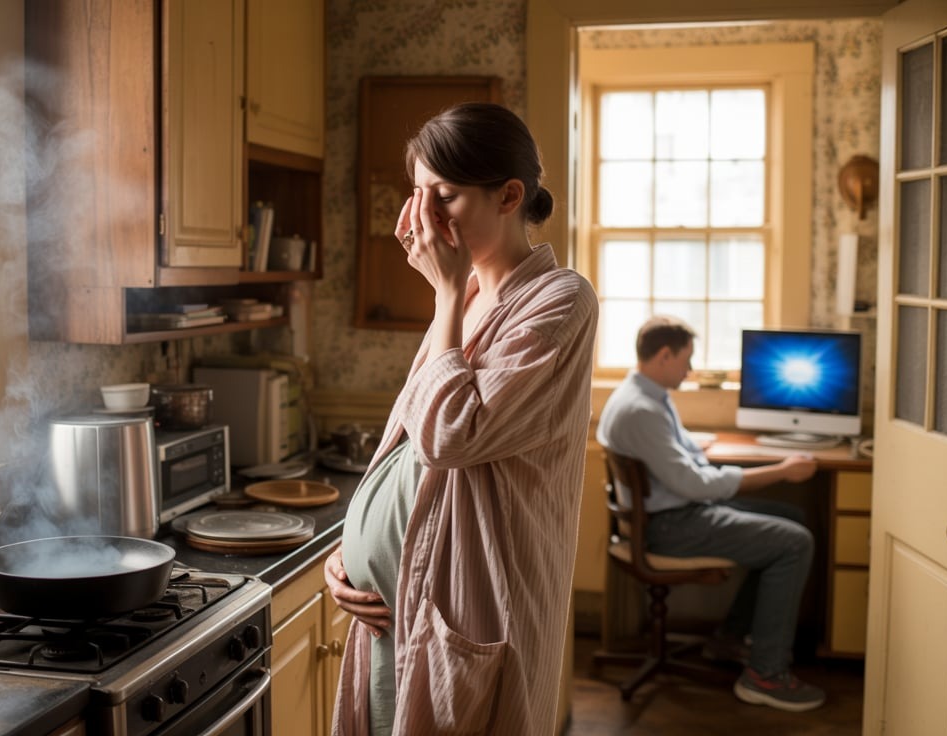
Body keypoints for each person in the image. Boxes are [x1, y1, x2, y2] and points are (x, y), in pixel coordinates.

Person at [321, 102, 598, 735]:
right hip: (390, 612)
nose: (424, 219)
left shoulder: (559, 300)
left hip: (462, 613)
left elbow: (452, 436)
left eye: (443, 196)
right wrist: (348, 549)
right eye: (417, 195)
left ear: (508, 196)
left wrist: (443, 291)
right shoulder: (470, 294)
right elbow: (406, 444)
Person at [597, 315, 827, 712]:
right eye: (686, 360)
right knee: (794, 542)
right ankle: (764, 675)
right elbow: (696, 486)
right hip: (671, 525)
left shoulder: (647, 395)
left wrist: (687, 453)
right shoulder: (641, 410)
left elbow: (684, 456)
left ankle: (730, 638)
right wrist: (780, 471)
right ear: (664, 355)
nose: (690, 370)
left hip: (676, 510)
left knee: (794, 517)